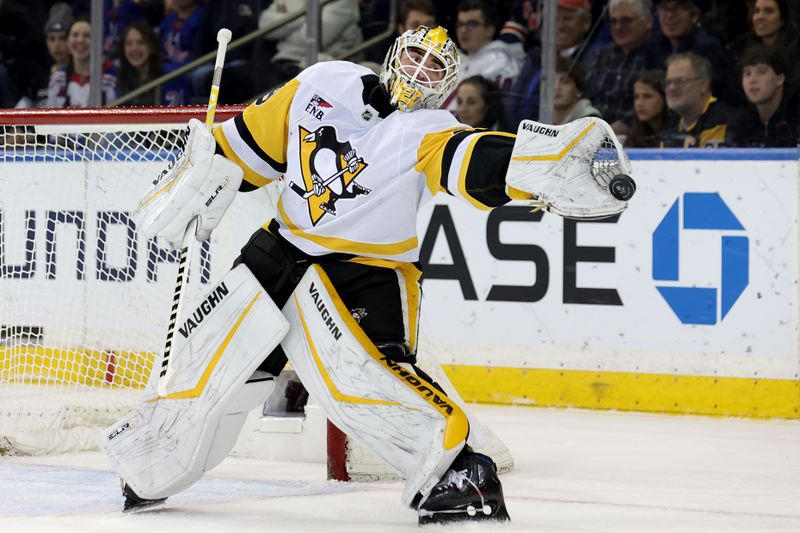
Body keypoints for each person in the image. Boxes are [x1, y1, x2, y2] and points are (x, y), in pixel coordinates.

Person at [107, 25, 631, 525]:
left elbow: (472, 160)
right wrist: (207, 171)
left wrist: (543, 164)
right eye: (414, 57)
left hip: (365, 272)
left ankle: (459, 473)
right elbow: (249, 144)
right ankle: (153, 464)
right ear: (392, 53)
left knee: (361, 380)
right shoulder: (323, 82)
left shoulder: (429, 129)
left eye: (434, 68)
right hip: (279, 250)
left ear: (446, 85)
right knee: (206, 364)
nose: (419, 71)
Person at [584, 0, 654, 135]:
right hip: (593, 134)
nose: (618, 27)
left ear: (648, 21)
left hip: (634, 137)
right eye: (613, 21)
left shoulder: (655, 56)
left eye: (626, 20)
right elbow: (585, 97)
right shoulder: (600, 56)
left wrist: (609, 132)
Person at [258, 0, 363, 90]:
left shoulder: (344, 2)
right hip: (281, 63)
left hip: (324, 66)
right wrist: (308, 15)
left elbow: (313, 39)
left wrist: (285, 27)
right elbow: (265, 26)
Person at [644, 0, 730, 101]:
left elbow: (715, 93)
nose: (670, 15)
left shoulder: (707, 48)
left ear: (694, 16)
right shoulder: (653, 44)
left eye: (677, 8)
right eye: (665, 9)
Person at [728, 44, 799, 147]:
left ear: (780, 79)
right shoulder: (742, 122)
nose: (752, 80)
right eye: (747, 74)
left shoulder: (795, 118)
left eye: (762, 72)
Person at [660, 52, 727, 147]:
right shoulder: (669, 129)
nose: (672, 88)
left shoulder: (724, 121)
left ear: (704, 84)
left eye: (681, 81)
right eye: (668, 83)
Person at [46, 18, 117, 107]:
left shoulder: (113, 76)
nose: (80, 40)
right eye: (75, 35)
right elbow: (52, 117)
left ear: (99, 42)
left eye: (87, 35)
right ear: (67, 42)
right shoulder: (58, 78)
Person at [114, 22, 164, 106]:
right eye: (129, 43)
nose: (134, 48)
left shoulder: (169, 75)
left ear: (151, 46)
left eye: (141, 42)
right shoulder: (121, 77)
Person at [625, 69, 674, 147]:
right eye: (636, 97)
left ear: (665, 98)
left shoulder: (677, 134)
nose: (639, 103)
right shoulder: (635, 135)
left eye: (647, 96)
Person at [552, 58, 600, 125]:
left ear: (579, 91)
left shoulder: (591, 121)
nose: (556, 87)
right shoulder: (542, 117)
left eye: (565, 82)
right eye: (551, 82)